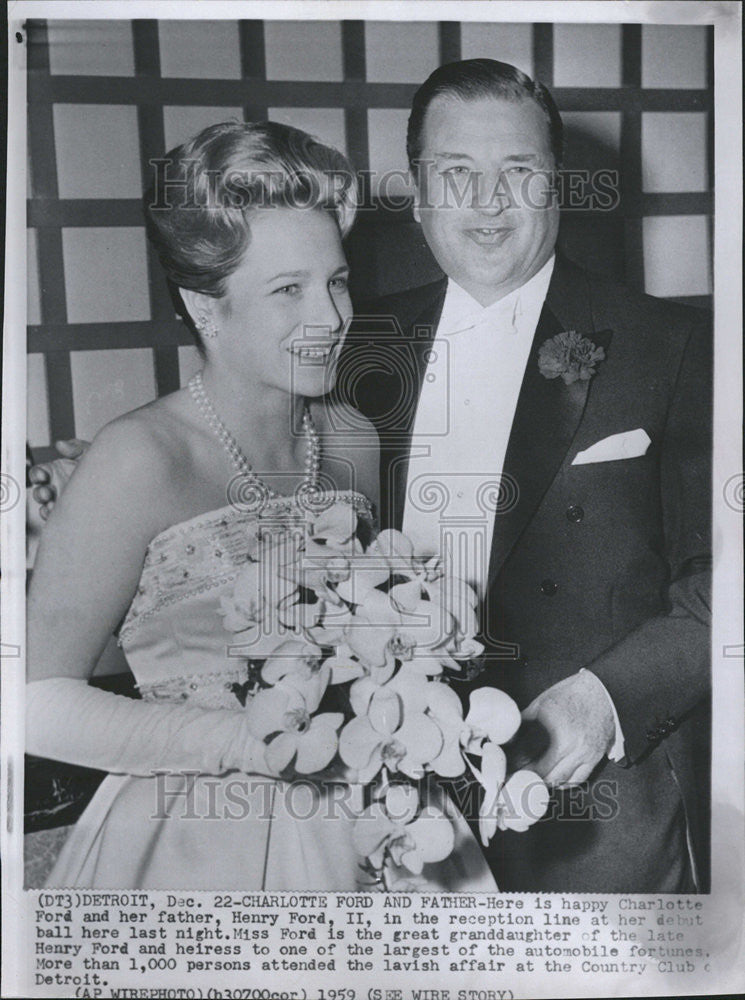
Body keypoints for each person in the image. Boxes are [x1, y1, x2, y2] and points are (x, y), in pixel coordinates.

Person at [25, 120, 496, 892]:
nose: (330, 317)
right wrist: (251, 743)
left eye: (336, 280)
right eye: (287, 290)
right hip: (197, 843)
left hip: (370, 824)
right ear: (204, 306)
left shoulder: (350, 437)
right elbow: (36, 703)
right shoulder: (140, 459)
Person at [334, 59, 711, 893]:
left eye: (519, 172)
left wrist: (609, 697)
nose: (487, 202)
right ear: (418, 191)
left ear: (559, 186)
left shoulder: (674, 346)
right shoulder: (357, 346)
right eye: (455, 174)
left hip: (600, 805)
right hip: (397, 798)